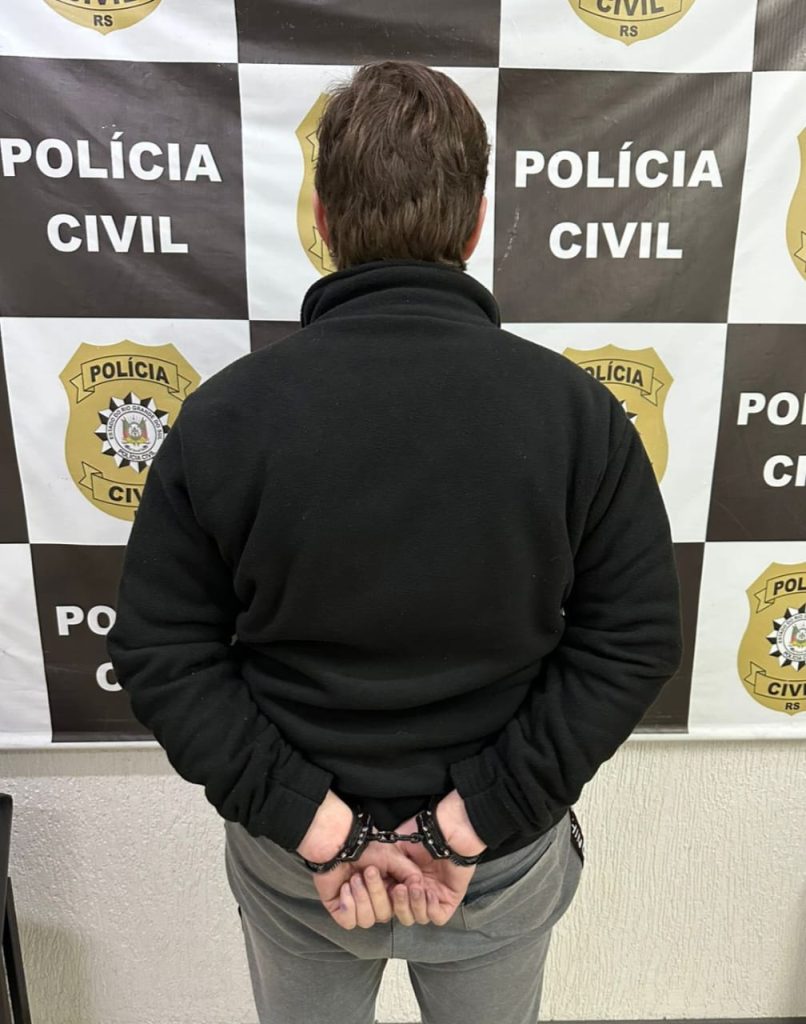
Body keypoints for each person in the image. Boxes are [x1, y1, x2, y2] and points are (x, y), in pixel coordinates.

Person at [106, 59, 683, 1024]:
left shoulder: (225, 418)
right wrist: (469, 823)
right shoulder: (577, 414)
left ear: (323, 221)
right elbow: (633, 644)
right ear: (476, 223)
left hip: (306, 858)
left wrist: (317, 826)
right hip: (491, 855)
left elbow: (160, 652)